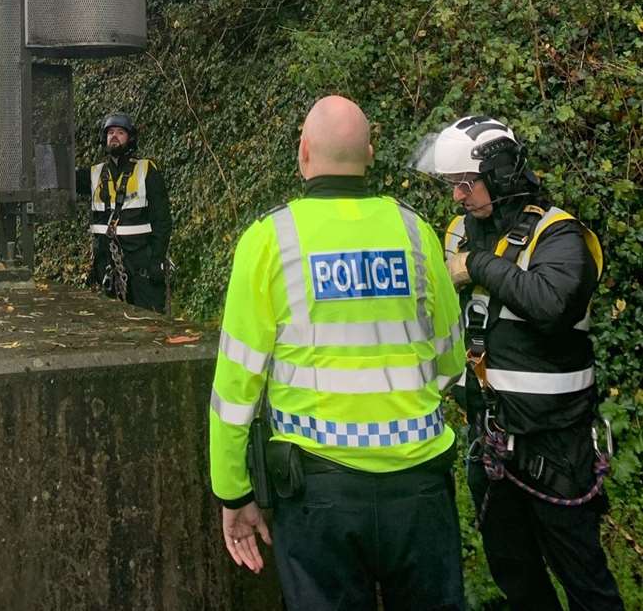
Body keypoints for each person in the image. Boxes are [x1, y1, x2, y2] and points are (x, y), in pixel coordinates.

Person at [209, 95, 466, 610]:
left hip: (316, 495)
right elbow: (450, 362)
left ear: (303, 154)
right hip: (419, 491)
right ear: (369, 153)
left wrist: (233, 493)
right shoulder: (415, 232)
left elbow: (237, 388)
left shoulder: (267, 241)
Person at [413, 115, 624, 611]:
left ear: (502, 174)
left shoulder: (560, 235)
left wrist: (480, 265)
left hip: (556, 445)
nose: (457, 197)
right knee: (516, 576)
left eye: (464, 184)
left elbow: (553, 304)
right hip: (491, 441)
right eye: (451, 186)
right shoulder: (459, 232)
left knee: (585, 580)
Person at [74, 112, 171, 312]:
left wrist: (157, 259)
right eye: (110, 132)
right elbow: (58, 177)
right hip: (107, 263)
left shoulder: (146, 170)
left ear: (130, 138)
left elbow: (162, 220)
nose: (114, 136)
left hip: (141, 263)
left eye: (120, 132)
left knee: (148, 322)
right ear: (104, 138)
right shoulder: (95, 174)